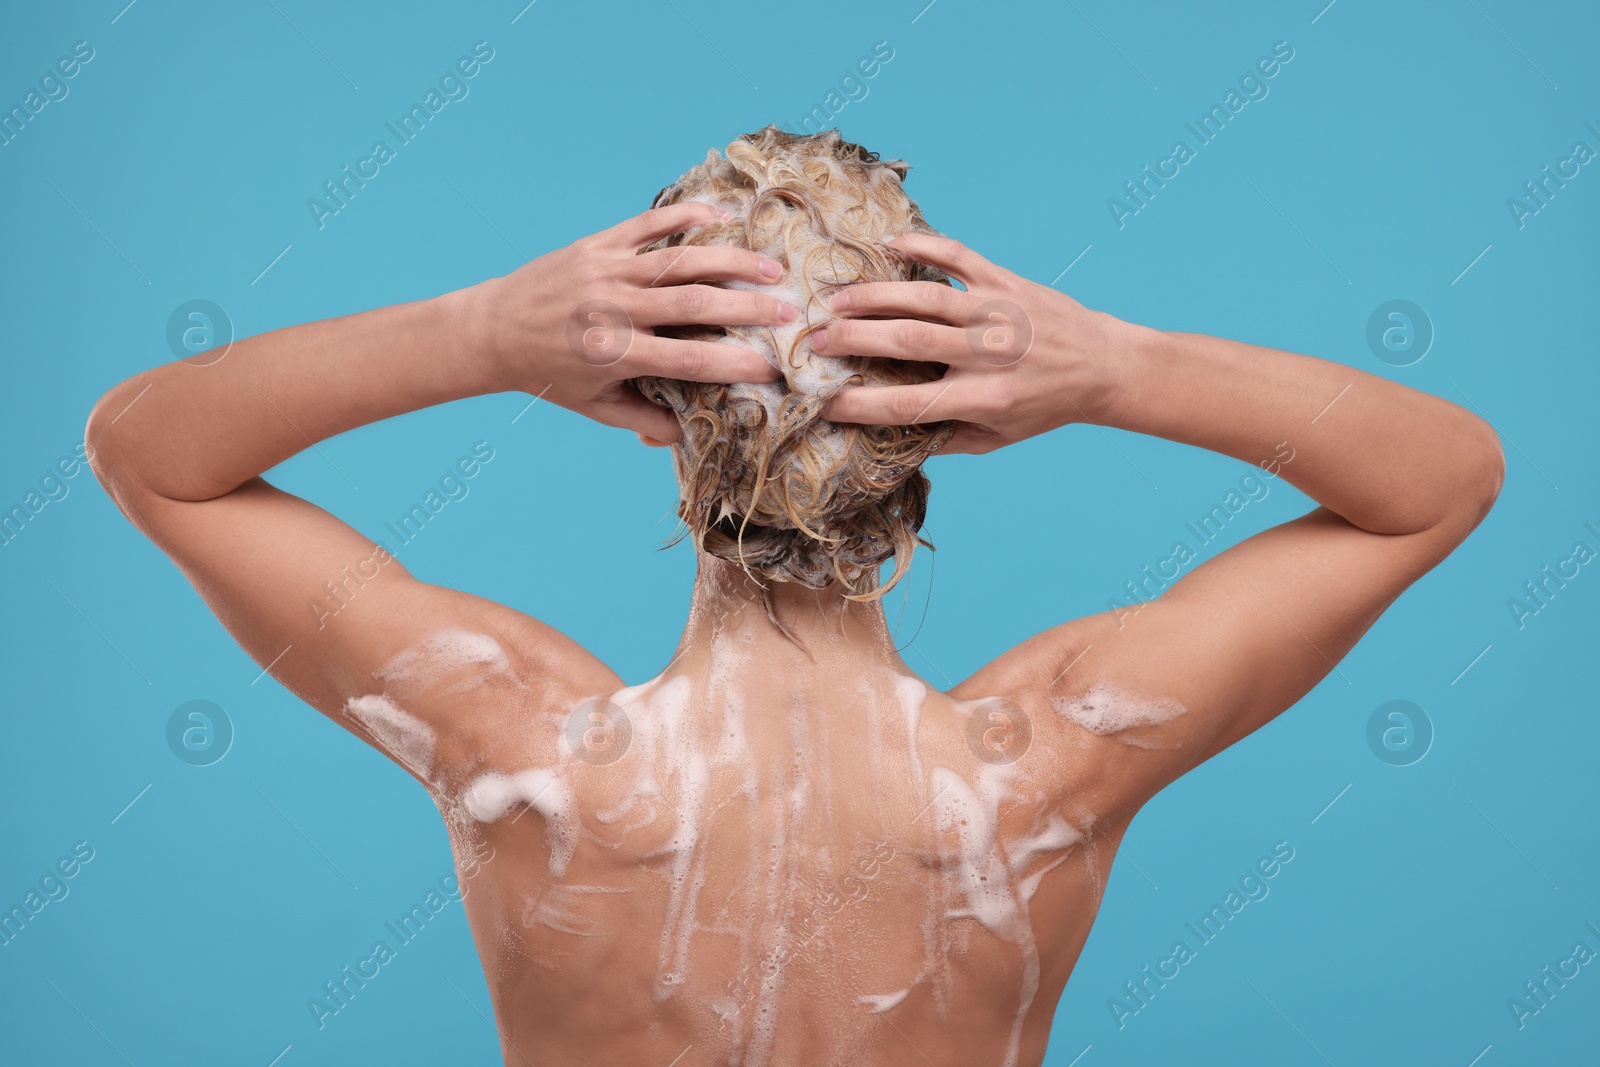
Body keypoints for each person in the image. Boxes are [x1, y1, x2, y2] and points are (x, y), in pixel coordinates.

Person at [86, 128, 1503, 1067]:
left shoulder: (512, 741)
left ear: (656, 417)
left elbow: (152, 457)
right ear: (942, 427)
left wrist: (481, 334)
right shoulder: (1053, 760)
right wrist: (1114, 367)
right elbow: (1446, 475)